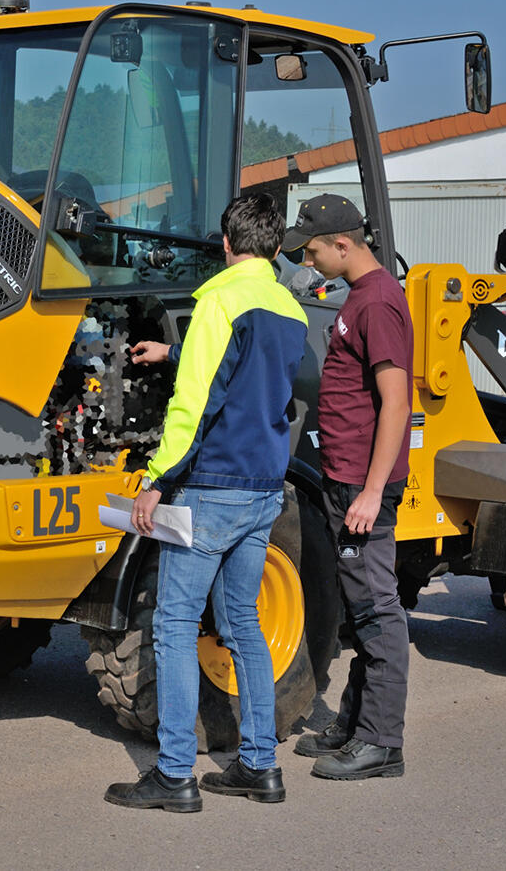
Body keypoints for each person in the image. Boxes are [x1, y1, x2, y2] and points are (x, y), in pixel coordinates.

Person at [104, 193, 308, 813]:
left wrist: (157, 479)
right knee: (243, 623)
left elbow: (194, 404)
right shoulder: (289, 308)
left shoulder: (218, 301)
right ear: (275, 247)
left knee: (173, 624)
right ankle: (260, 766)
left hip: (211, 488)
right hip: (263, 487)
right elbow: (250, 378)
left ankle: (174, 774)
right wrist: (174, 351)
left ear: (225, 243)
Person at [281, 193, 413, 781]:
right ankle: (356, 722)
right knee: (358, 608)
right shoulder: (356, 295)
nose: (308, 263)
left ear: (342, 243)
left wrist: (371, 490)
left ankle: (382, 743)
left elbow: (396, 404)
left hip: (363, 486)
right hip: (344, 478)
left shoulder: (378, 301)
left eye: (312, 252)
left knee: (376, 608)